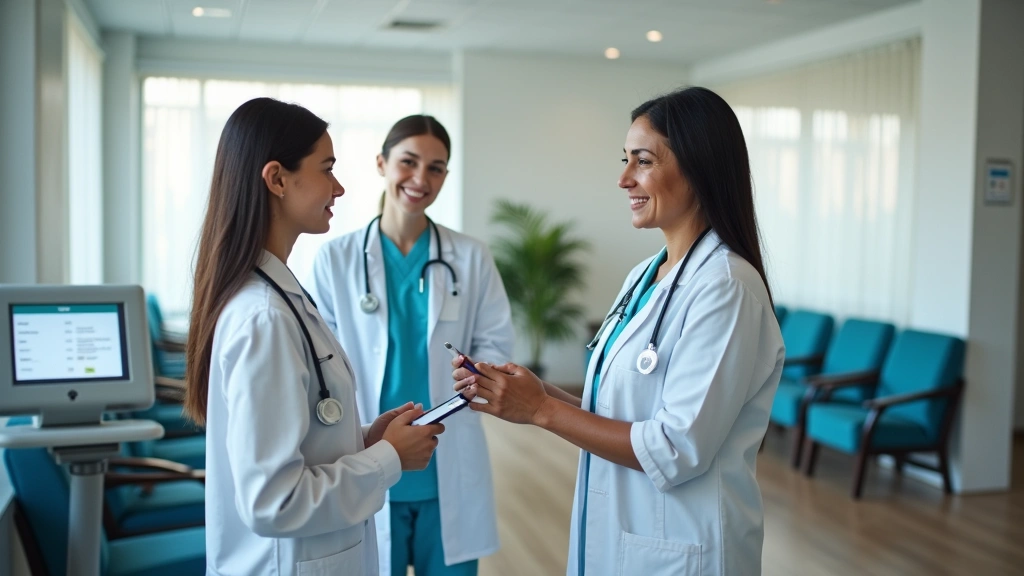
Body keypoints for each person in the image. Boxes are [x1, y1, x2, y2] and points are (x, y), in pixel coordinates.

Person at [450, 87, 785, 576]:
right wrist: (534, 391)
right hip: (623, 536)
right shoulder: (645, 277)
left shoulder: (726, 288)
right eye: (625, 160)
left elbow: (675, 449)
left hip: (685, 548)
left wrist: (541, 410)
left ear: (699, 167)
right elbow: (612, 412)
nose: (624, 178)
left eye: (642, 162)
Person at [183, 98, 444, 576]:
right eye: (327, 169)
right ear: (278, 179)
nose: (339, 187)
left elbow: (299, 442)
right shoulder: (264, 317)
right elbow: (273, 501)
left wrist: (364, 439)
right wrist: (389, 458)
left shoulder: (278, 294)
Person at [308, 115, 514, 576]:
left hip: (448, 458)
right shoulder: (336, 258)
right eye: (409, 162)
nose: (421, 179)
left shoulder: (470, 255)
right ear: (382, 163)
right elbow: (318, 360)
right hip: (365, 452)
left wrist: (479, 369)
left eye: (436, 168)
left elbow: (497, 340)